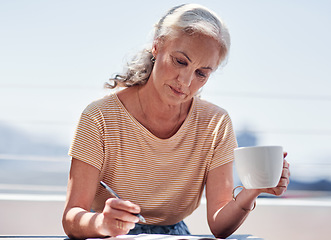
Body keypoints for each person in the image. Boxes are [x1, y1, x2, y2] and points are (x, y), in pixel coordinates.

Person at [62, 3, 290, 239]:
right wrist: (102, 223)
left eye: (201, 73)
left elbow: (220, 226)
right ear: (157, 45)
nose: (185, 80)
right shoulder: (99, 117)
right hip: (109, 235)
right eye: (180, 61)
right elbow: (72, 217)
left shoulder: (215, 124)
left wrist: (252, 192)